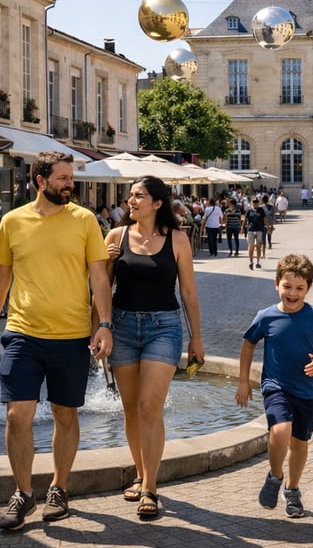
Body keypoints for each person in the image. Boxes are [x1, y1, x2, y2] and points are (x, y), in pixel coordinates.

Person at [0, 151, 114, 531]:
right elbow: (1, 279)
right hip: (23, 333)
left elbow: (100, 277)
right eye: (62, 178)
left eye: (70, 177)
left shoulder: (85, 221)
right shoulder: (12, 221)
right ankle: (23, 493)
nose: (69, 183)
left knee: (64, 414)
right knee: (16, 414)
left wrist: (104, 323)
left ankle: (59, 488)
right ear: (40, 181)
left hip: (72, 336)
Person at [98, 176, 204, 520]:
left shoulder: (177, 239)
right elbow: (102, 287)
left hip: (164, 327)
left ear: (157, 203)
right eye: (130, 196)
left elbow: (188, 291)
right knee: (130, 409)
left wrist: (197, 337)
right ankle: (141, 471)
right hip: (124, 327)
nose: (131, 201)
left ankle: (150, 487)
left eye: (138, 196)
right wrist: (101, 328)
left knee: (148, 406)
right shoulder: (115, 236)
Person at [235, 253, 313, 518]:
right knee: (280, 431)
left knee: (300, 443)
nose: (292, 293)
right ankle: (275, 476)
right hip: (275, 385)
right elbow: (248, 345)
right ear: (276, 283)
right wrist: (244, 381)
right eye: (287, 286)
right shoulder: (265, 317)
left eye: (299, 288)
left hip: (308, 390)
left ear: (308, 289)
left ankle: (292, 489)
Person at [242, 197, 267, 270]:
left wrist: (268, 227)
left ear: (258, 203)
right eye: (254, 202)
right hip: (251, 230)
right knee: (251, 245)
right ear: (252, 203)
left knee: (258, 246)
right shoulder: (249, 210)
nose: (255, 203)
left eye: (256, 202)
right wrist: (242, 227)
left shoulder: (261, 210)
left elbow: (265, 219)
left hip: (259, 230)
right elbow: (245, 219)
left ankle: (258, 262)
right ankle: (251, 261)